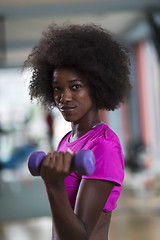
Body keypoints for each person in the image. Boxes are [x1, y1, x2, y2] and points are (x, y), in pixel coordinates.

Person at [23, 23, 131, 240]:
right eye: (57, 88)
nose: (64, 98)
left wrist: (54, 184)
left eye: (75, 86)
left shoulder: (103, 147)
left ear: (97, 86)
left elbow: (78, 237)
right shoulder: (68, 140)